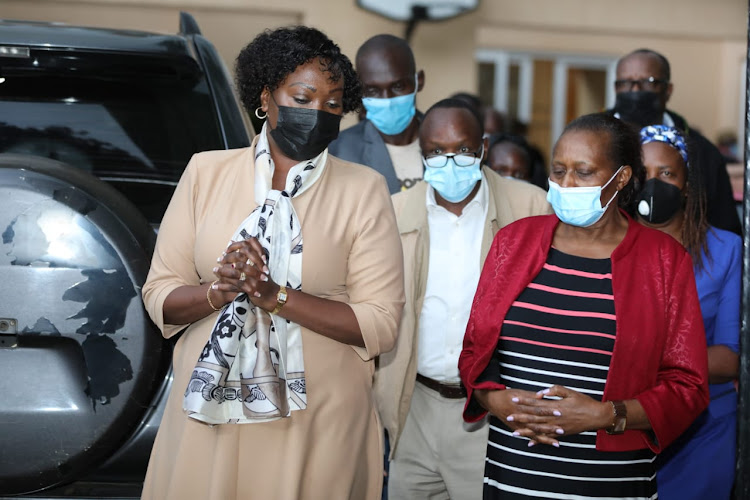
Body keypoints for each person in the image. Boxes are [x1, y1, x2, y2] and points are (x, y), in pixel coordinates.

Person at [140, 26, 405, 500]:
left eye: (332, 104)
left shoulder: (363, 189)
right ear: (266, 96)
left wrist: (272, 296)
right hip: (211, 417)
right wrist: (218, 292)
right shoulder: (206, 171)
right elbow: (160, 295)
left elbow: (380, 325)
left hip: (317, 423)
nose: (318, 113)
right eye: (303, 97)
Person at [459, 112, 709, 499]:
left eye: (584, 172)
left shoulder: (663, 260)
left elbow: (687, 386)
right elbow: (477, 349)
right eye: (558, 171)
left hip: (608, 480)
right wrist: (495, 399)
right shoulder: (513, 243)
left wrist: (605, 415)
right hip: (514, 473)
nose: (566, 184)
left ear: (621, 178)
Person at [374, 98, 549, 499]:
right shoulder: (393, 213)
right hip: (413, 404)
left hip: (491, 412)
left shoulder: (531, 208)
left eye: (463, 150)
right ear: (420, 155)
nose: (449, 163)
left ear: (484, 148)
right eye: (436, 152)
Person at [635, 124, 740, 500]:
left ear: (688, 183)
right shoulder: (608, 248)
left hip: (704, 427)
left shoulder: (726, 250)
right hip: (622, 421)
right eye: (644, 173)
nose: (654, 183)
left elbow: (729, 359)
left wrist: (637, 358)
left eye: (666, 173)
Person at [610, 48, 741, 235]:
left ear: (668, 90)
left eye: (649, 82)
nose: (635, 90)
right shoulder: (593, 141)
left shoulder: (701, 150)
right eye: (625, 82)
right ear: (616, 88)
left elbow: (723, 225)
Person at [329, 34, 424, 193]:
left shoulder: (449, 141)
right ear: (359, 90)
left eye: (398, 86)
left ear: (418, 81)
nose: (387, 99)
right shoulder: (339, 152)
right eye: (373, 90)